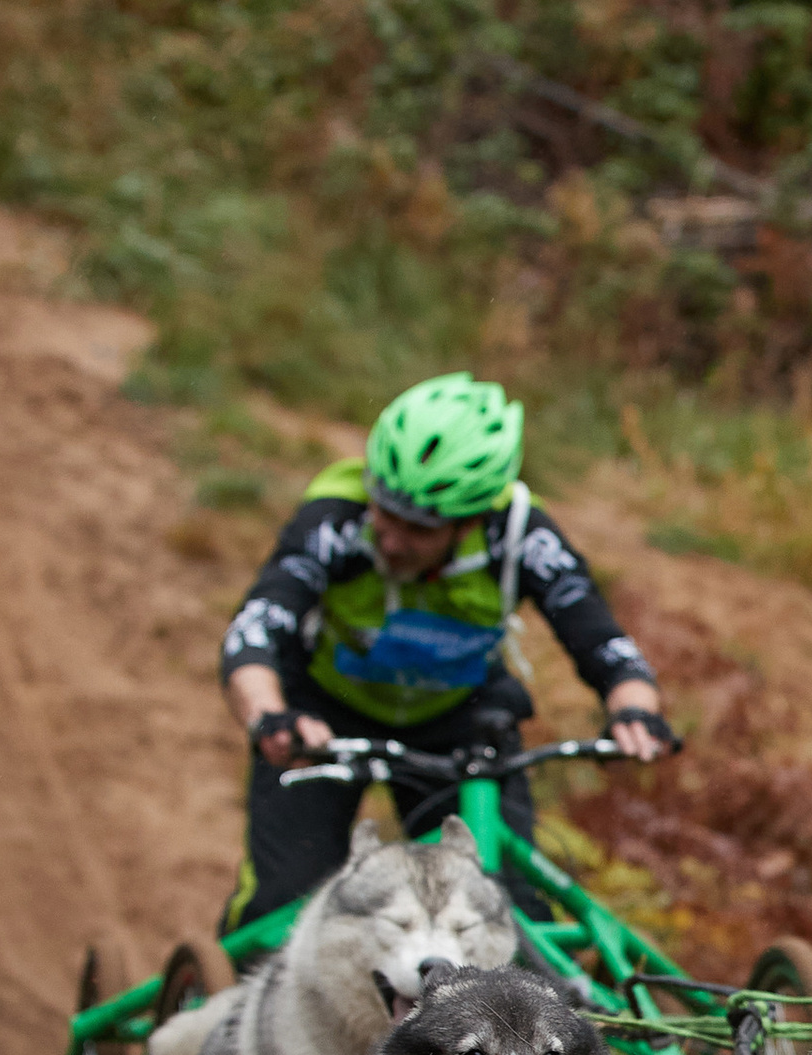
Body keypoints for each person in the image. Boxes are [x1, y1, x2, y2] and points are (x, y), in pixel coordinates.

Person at [218, 371, 672, 926]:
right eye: (384, 507)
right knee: (280, 910)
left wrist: (634, 710)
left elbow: (600, 637)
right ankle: (223, 1006)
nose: (389, 535)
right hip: (322, 719)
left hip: (459, 725)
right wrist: (270, 716)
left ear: (471, 521)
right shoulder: (335, 519)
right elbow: (258, 627)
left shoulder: (520, 535)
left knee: (506, 913)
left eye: (418, 527)